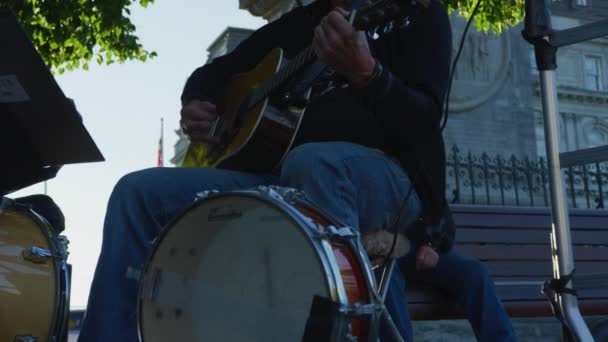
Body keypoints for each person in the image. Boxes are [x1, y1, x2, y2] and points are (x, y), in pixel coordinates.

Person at [77, 0, 516, 341]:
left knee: (315, 162)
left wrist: (370, 76)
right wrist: (196, 99)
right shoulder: (300, 25)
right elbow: (215, 72)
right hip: (284, 183)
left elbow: (425, 119)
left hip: (390, 180)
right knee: (136, 192)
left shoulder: (412, 11)